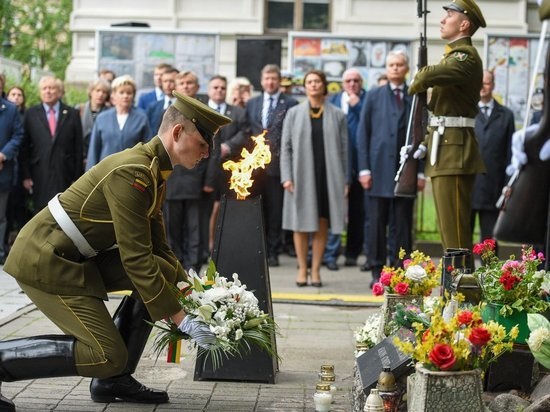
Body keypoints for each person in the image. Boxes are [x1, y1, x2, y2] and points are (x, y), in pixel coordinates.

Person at [0, 92, 231, 411]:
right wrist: (181, 317)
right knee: (106, 354)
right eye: (203, 144)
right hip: (45, 258)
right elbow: (136, 258)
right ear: (178, 133)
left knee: (161, 271)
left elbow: (159, 250)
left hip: (74, 255)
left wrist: (192, 298)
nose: (207, 153)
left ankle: (114, 381)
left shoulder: (153, 170)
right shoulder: (134, 172)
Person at [408, 0, 486, 254]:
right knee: (449, 231)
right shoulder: (453, 56)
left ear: (464, 24)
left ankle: (461, 289)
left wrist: (417, 80)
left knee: (455, 235)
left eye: (449, 15)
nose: (442, 20)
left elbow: (426, 76)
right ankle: (454, 288)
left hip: (455, 151)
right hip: (445, 147)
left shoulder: (465, 57)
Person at [358, 50, 424, 286]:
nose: (395, 68)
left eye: (399, 65)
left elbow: (422, 134)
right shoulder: (374, 96)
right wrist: (364, 169)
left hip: (405, 171)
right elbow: (363, 133)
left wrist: (421, 171)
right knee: (377, 224)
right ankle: (377, 270)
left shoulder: (415, 96)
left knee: (402, 223)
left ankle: (400, 269)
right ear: (386, 68)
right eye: (391, 65)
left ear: (406, 69)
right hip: (378, 171)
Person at [280, 69, 348, 287]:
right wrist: (286, 176)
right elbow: (286, 147)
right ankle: (302, 268)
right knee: (299, 223)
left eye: (317, 81)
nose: (313, 85)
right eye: (310, 82)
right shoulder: (294, 113)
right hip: (300, 175)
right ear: (305, 86)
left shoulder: (337, 114)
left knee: (322, 223)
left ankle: (316, 270)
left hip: (328, 176)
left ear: (324, 85)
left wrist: (346, 179)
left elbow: (346, 150)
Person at [246, 64, 298, 267]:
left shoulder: (291, 103)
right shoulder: (252, 103)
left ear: (279, 81)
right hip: (254, 168)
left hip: (277, 166)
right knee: (257, 210)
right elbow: (247, 130)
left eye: (274, 78)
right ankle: (259, 249)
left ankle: (274, 251)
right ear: (261, 81)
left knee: (276, 210)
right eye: (267, 78)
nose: (270, 82)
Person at [164, 71, 216, 272]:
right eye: (182, 83)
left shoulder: (205, 113)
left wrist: (208, 180)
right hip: (172, 177)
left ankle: (193, 267)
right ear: (176, 86)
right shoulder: (164, 111)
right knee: (172, 228)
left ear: (196, 87)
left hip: (196, 178)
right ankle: (175, 266)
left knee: (195, 228)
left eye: (190, 83)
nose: (186, 86)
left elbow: (212, 150)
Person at [323, 68, 367, 271]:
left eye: (356, 80)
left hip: (361, 162)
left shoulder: (367, 100)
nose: (352, 84)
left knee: (358, 211)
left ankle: (352, 253)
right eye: (348, 81)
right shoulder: (331, 101)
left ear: (361, 83)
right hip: (336, 161)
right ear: (342, 83)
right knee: (333, 209)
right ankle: (330, 253)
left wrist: (357, 106)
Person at [20, 76, 84, 213]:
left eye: (52, 88)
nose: (48, 91)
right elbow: (24, 147)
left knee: (64, 214)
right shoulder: (31, 114)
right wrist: (26, 175)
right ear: (40, 92)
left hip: (65, 173)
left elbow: (78, 147)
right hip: (39, 173)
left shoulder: (72, 113)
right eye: (44, 88)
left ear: (59, 91)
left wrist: (77, 177)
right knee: (41, 214)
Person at [471, 70, 514, 252]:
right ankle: (462, 277)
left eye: (486, 83)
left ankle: (490, 278)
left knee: (489, 242)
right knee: (462, 239)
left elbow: (510, 154)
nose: (482, 86)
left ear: (493, 85)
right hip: (469, 186)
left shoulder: (506, 115)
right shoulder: (467, 112)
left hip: (493, 187)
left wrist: (507, 185)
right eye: (479, 82)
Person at [206, 75, 249, 251]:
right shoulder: (201, 110)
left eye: (222, 88)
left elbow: (245, 132)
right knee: (208, 210)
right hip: (205, 170)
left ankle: (227, 244)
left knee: (227, 207)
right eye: (215, 87)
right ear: (209, 90)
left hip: (229, 169)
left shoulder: (237, 112)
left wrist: (228, 146)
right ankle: (208, 244)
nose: (219, 91)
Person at [86, 75, 151, 170]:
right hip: (105, 173)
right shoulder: (102, 118)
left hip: (132, 173)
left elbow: (147, 149)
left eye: (129, 93)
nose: (125, 96)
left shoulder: (141, 118)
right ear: (113, 96)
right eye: (121, 92)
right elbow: (94, 150)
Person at [0, 97, 24, 264]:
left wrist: (2, 155)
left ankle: (0, 252)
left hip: (3, 169)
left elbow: (18, 135)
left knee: (1, 216)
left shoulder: (11, 109)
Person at [76, 78, 111, 166]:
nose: (101, 94)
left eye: (104, 92)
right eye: (98, 90)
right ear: (91, 92)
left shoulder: (110, 113)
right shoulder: (80, 109)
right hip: (80, 159)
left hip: (101, 160)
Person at [147, 67, 179, 134]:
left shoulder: (184, 107)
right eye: (165, 81)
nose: (168, 84)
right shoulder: (153, 107)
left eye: (172, 81)